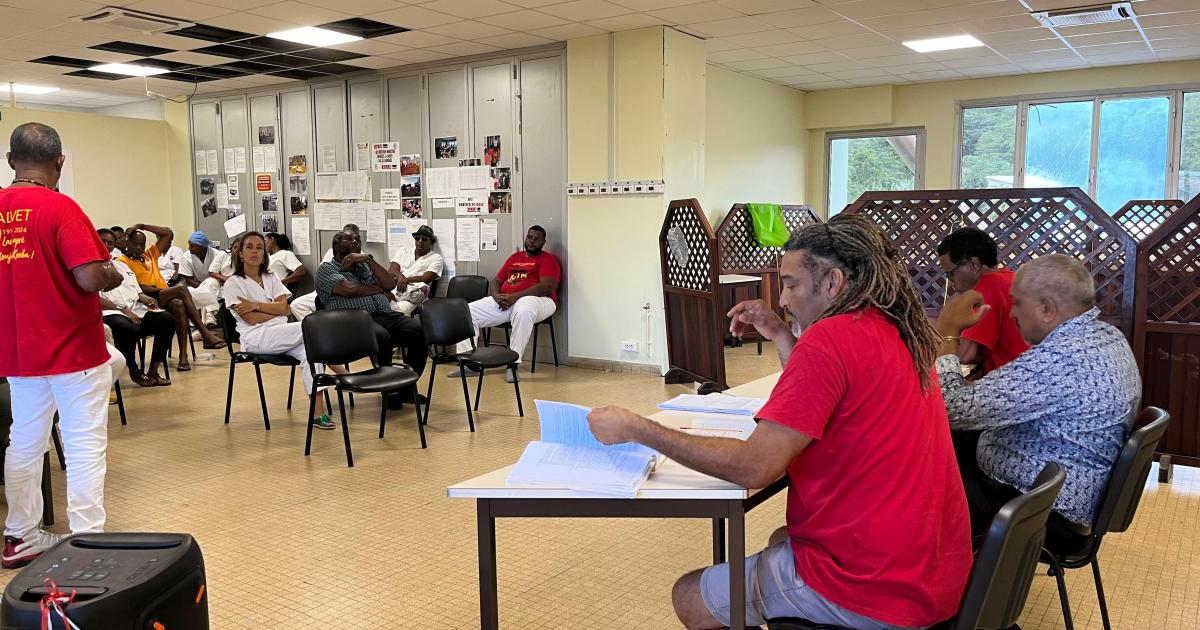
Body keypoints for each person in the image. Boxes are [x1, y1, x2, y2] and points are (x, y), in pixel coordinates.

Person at [587, 215, 972, 629]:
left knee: (691, 595)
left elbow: (757, 466)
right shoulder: (900, 331)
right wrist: (780, 335)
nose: (784, 300)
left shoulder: (830, 340)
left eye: (791, 285)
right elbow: (824, 398)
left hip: (876, 585)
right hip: (935, 568)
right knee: (780, 541)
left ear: (832, 284)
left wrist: (639, 429)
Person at [934, 254, 1140, 549]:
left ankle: (951, 580)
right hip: (1073, 488)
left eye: (1017, 303)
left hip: (1044, 510)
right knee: (953, 443)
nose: (1013, 313)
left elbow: (951, 408)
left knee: (927, 476)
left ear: (1046, 308)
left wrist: (948, 332)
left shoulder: (1063, 359)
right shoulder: (1106, 335)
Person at [0, 122, 126, 568]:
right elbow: (91, 275)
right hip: (72, 350)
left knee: (25, 442)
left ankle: (19, 535)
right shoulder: (61, 209)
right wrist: (112, 273)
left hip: (18, 353)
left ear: (12, 160)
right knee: (84, 444)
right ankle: (87, 542)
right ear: (59, 162)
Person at [223, 232, 345, 431]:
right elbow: (252, 319)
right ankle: (344, 375)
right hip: (256, 338)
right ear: (241, 254)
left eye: (259, 247)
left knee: (310, 352)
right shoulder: (233, 284)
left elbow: (286, 309)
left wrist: (255, 305)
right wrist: (273, 309)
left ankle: (318, 413)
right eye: (249, 247)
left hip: (282, 334)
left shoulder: (270, 277)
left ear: (265, 253)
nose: (255, 251)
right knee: (309, 327)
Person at [315, 230, 427, 407]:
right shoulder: (327, 269)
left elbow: (390, 284)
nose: (355, 241)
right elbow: (350, 289)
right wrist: (378, 289)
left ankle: (406, 387)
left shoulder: (364, 265)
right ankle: (388, 391)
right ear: (336, 246)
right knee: (383, 337)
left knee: (420, 331)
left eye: (357, 239)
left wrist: (368, 259)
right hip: (352, 322)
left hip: (383, 314)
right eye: (349, 239)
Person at [450, 226, 559, 383]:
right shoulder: (515, 257)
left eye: (536, 239)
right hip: (507, 300)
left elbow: (547, 286)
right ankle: (469, 364)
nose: (532, 241)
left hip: (539, 300)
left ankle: (513, 364)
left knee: (523, 311)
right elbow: (497, 280)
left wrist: (514, 297)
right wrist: (496, 296)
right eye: (529, 237)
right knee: (466, 312)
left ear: (544, 242)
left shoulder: (548, 259)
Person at [118, 224, 226, 370]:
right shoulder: (122, 261)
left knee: (178, 305)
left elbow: (168, 234)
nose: (139, 247)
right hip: (144, 299)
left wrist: (141, 226)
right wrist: (164, 290)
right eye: (135, 244)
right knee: (181, 289)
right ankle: (205, 333)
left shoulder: (149, 255)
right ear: (126, 243)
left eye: (142, 244)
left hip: (162, 295)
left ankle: (183, 356)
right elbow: (135, 287)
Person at [936, 227, 1029, 374]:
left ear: (974, 264)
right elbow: (977, 352)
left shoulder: (990, 284)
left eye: (951, 274)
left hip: (1011, 384)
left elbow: (965, 355)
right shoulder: (1008, 277)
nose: (951, 282)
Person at [97, 229, 176, 387]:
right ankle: (134, 369)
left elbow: (134, 287)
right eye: (102, 241)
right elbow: (95, 298)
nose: (106, 245)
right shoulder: (89, 267)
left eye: (110, 242)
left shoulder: (120, 265)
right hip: (110, 312)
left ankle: (153, 370)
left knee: (167, 319)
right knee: (125, 326)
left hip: (135, 309)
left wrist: (143, 296)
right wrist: (124, 310)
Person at [291, 223, 360, 321]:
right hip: (327, 287)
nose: (348, 242)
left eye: (352, 238)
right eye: (345, 237)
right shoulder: (332, 251)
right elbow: (323, 273)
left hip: (344, 290)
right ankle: (315, 328)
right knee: (296, 305)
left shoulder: (360, 255)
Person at [386, 225, 443, 316]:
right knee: (379, 305)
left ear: (431, 242)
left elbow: (426, 278)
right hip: (395, 286)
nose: (420, 241)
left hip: (415, 292)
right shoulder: (403, 251)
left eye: (424, 239)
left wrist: (405, 280)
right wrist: (401, 277)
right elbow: (391, 270)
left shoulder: (436, 258)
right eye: (417, 238)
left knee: (398, 312)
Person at [178, 231, 219, 326]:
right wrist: (205, 288)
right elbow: (189, 280)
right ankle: (208, 317)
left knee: (211, 282)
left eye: (192, 246)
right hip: (196, 285)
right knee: (196, 290)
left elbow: (218, 274)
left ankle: (201, 328)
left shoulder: (216, 254)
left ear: (202, 247)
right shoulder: (186, 257)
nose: (189, 248)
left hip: (216, 285)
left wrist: (207, 287)